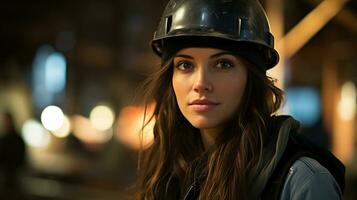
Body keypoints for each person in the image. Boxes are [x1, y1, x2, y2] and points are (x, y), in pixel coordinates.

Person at [135, 0, 345, 199]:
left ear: (251, 77)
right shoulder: (167, 170)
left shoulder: (302, 182)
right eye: (185, 65)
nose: (200, 83)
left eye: (223, 64)